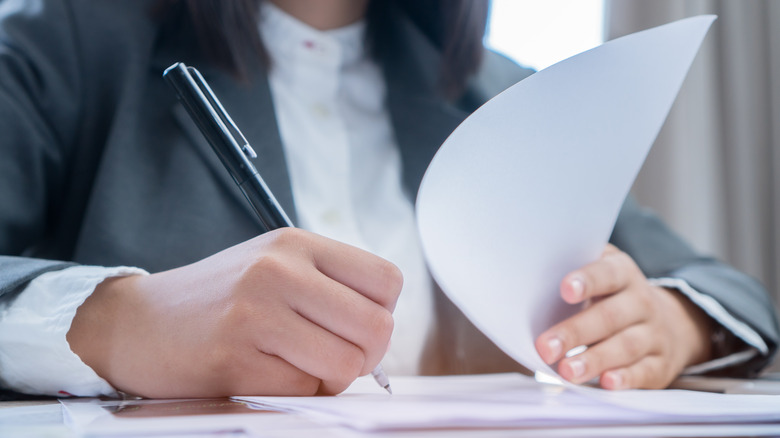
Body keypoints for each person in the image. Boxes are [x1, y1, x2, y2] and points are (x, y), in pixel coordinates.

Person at [0, 0, 777, 399]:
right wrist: (117, 324)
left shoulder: (493, 91)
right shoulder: (62, 41)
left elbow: (723, 288)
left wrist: (670, 326)